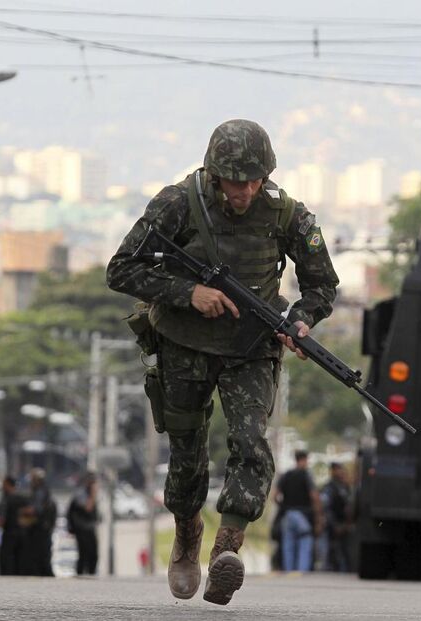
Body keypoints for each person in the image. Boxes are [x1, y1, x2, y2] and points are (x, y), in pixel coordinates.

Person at [108, 119, 338, 605]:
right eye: (235, 181)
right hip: (184, 343)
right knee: (187, 448)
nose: (245, 191)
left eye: (255, 180)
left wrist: (300, 320)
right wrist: (188, 292)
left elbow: (322, 284)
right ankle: (187, 534)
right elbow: (122, 269)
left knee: (251, 443)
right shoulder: (177, 204)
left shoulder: (288, 214)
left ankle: (226, 549)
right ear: (214, 174)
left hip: (251, 349)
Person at [274, 450, 324, 572]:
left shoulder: (286, 475)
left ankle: (289, 573)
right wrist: (318, 517)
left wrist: (283, 506)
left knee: (288, 545)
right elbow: (314, 496)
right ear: (304, 460)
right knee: (305, 540)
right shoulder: (306, 475)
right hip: (302, 515)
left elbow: (275, 496)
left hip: (287, 515)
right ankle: (301, 573)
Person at [20, 468, 56, 576]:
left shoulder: (40, 493)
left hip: (40, 530)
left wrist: (21, 511)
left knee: (40, 558)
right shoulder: (44, 492)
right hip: (43, 529)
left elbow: (34, 510)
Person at [319, 462, 353, 572]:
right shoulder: (329, 487)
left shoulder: (344, 486)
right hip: (332, 526)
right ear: (333, 471)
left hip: (343, 526)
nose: (341, 472)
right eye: (338, 469)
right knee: (330, 552)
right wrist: (335, 526)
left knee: (344, 552)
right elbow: (326, 508)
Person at [67, 473, 99, 575]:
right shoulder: (81, 493)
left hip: (89, 528)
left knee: (93, 555)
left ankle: (90, 573)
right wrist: (93, 494)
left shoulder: (88, 492)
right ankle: (82, 574)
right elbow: (88, 508)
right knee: (84, 554)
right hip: (82, 529)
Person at [0, 475, 28, 575]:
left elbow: (2, 518)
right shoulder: (23, 497)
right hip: (22, 533)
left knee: (7, 559)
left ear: (8, 484)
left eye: (3, 484)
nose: (2, 486)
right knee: (20, 559)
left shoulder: (6, 499)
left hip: (10, 533)